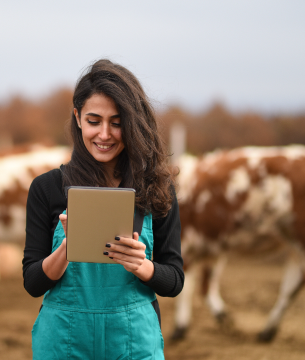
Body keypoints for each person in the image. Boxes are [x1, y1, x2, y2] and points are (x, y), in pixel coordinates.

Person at [22, 59, 184, 359]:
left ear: (132, 123)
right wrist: (69, 247)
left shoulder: (156, 189)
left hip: (133, 341)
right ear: (77, 117)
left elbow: (174, 281)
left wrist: (142, 265)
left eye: (117, 122)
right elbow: (32, 282)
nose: (105, 134)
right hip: (63, 340)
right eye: (94, 121)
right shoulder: (46, 188)